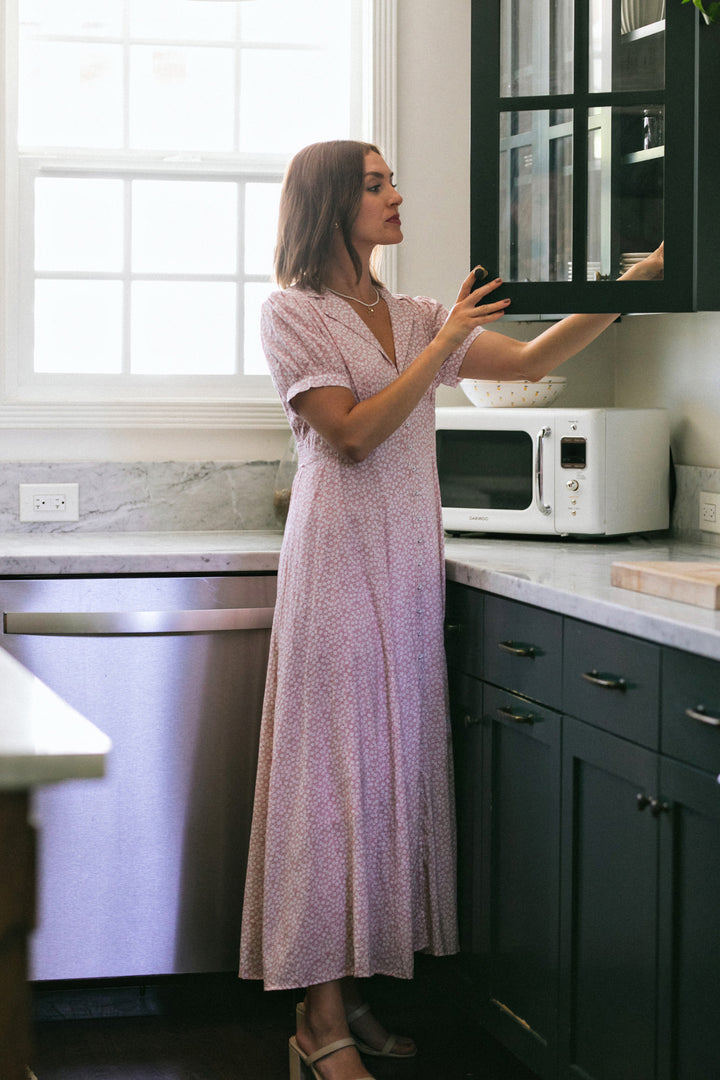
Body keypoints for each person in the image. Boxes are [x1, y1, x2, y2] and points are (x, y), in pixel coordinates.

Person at [238, 139, 664, 1080]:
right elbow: (350, 435)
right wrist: (437, 349)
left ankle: (352, 996)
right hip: (339, 559)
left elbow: (541, 352)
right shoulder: (291, 314)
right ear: (328, 205)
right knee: (334, 781)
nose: (398, 196)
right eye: (377, 184)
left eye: (394, 180)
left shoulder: (420, 310)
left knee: (389, 769)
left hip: (405, 562)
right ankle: (315, 1024)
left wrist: (644, 275)